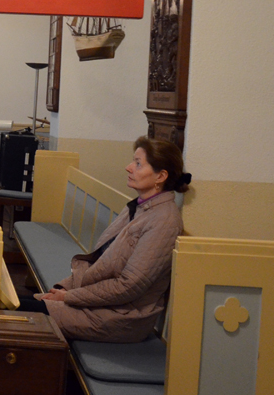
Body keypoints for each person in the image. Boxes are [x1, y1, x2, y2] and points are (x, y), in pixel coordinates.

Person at [18, 136, 192, 342]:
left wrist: (68, 297)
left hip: (122, 317)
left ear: (160, 176)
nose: (128, 168)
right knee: (15, 303)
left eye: (138, 164)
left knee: (20, 310)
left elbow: (129, 286)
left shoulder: (164, 222)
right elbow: (99, 262)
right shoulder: (140, 206)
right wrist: (64, 287)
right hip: (100, 304)